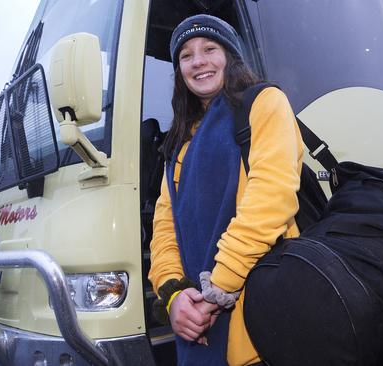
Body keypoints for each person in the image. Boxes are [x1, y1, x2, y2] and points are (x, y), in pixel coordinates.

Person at [148, 14, 303, 366]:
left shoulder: (264, 103)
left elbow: (271, 200)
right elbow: (165, 229)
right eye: (185, 55)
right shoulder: (178, 142)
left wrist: (217, 289)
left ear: (230, 56)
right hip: (200, 321)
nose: (198, 61)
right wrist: (175, 296)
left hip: (266, 318)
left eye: (209, 48)